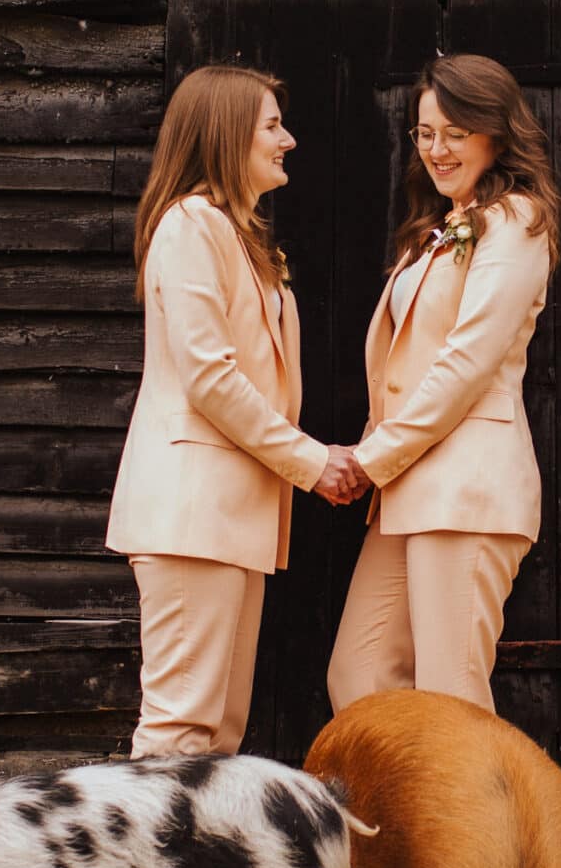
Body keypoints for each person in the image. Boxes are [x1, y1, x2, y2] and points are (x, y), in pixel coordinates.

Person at [322, 54, 561, 868]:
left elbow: (464, 366)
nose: (436, 150)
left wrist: (366, 460)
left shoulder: (517, 222)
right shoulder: (443, 230)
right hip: (408, 490)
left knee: (457, 710)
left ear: (497, 128)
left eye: (452, 132)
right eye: (424, 134)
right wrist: (378, 468)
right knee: (362, 679)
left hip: (465, 489)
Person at [107, 65, 367, 767]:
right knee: (178, 731)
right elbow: (211, 377)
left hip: (229, 520)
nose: (288, 139)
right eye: (271, 125)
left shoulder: (235, 232)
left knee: (216, 736)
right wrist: (313, 461)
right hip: (192, 515)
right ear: (225, 135)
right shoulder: (190, 226)